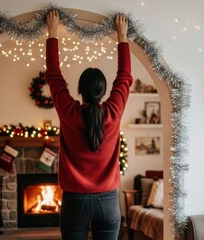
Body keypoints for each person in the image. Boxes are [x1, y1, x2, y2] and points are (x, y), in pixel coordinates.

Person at [45, 10, 133, 240]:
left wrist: (52, 32)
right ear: (104, 92)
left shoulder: (69, 112)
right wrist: (122, 37)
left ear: (79, 91)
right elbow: (124, 76)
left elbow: (54, 75)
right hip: (109, 202)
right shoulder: (113, 112)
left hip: (75, 202)